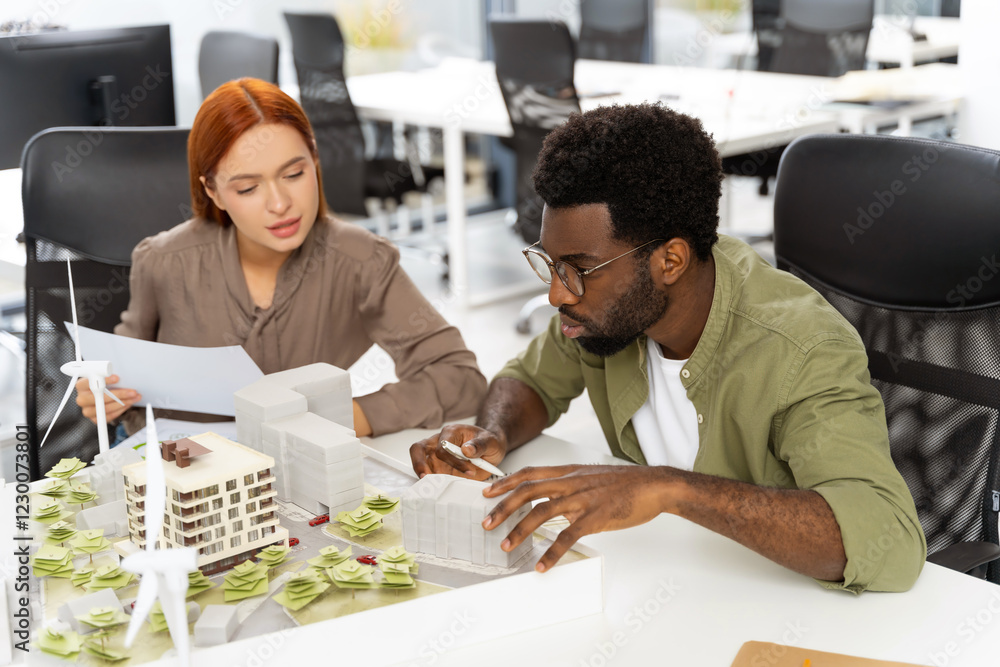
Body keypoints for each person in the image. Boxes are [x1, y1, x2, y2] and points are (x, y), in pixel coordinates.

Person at [410, 103, 926, 593]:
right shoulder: (602, 316)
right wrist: (493, 433)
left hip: (781, 608)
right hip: (669, 582)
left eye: (579, 269)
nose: (556, 295)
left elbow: (891, 541)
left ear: (670, 262)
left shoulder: (802, 348)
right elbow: (531, 380)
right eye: (550, 264)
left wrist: (672, 489)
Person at [74, 78, 487, 438]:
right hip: (176, 477)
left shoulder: (361, 260)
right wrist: (105, 396)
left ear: (315, 159)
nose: (280, 203)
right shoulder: (163, 261)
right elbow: (119, 381)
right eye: (248, 188)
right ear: (214, 192)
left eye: (294, 174)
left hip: (295, 477)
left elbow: (460, 378)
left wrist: (344, 418)